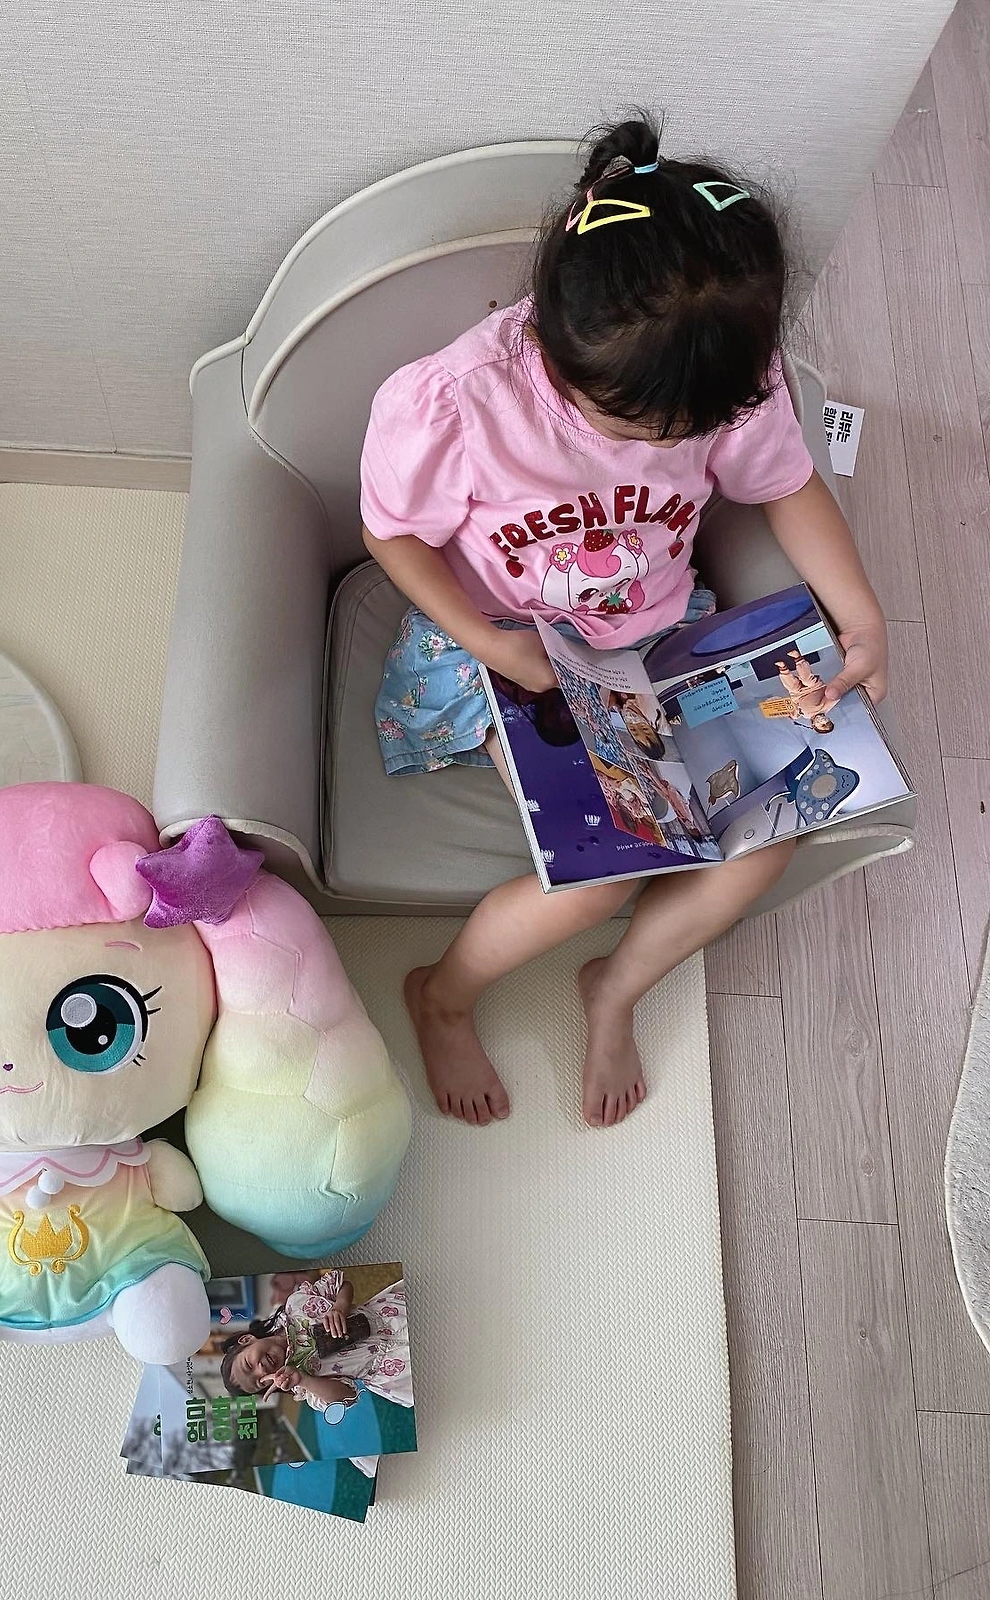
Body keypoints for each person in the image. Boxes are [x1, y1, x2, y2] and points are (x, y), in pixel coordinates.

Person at [364, 115, 888, 1130]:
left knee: (773, 830)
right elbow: (389, 535)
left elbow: (787, 484)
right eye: (638, 426)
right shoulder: (457, 405)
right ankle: (443, 993)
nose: (665, 443)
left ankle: (614, 986)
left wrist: (861, 618)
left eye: (689, 429)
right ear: (554, 351)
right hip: (514, 647)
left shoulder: (725, 376)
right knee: (602, 876)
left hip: (661, 637)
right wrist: (494, 645)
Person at [220, 1269, 412, 1412]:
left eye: (248, 1365)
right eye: (260, 1382)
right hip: (398, 1370)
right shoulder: (305, 1388)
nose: (261, 1371)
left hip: (392, 1312)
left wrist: (340, 1307)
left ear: (247, 1340)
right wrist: (304, 1379)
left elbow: (342, 1285)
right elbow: (347, 1397)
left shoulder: (296, 1306)